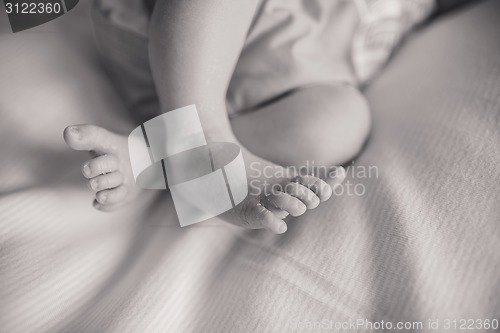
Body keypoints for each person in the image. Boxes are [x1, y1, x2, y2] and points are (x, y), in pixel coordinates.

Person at [63, 0, 463, 233]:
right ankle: (198, 138)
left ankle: (162, 159)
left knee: (344, 119)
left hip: (272, 99)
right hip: (175, 37)